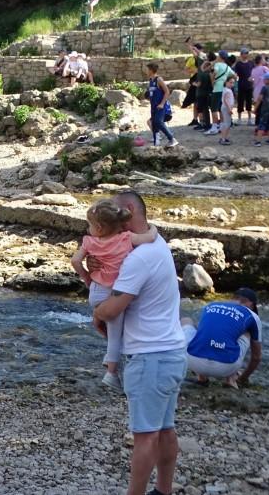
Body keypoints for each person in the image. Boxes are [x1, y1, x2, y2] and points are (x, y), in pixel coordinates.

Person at [94, 191, 186, 495]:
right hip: (172, 353)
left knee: (145, 436)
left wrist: (96, 311)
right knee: (165, 429)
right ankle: (163, 490)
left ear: (130, 210)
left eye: (115, 213)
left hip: (149, 359)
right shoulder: (158, 245)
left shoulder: (139, 257)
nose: (110, 220)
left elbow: (113, 307)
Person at [71, 199, 157, 390]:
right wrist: (153, 228)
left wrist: (86, 277)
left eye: (89, 225)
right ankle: (111, 373)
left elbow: (75, 261)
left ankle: (110, 360)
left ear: (100, 228)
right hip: (113, 294)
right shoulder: (125, 238)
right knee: (116, 334)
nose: (88, 229)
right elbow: (150, 238)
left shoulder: (90, 242)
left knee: (112, 331)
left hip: (95, 292)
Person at [182, 288, 262, 388]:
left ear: (232, 298)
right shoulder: (252, 315)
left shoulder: (211, 305)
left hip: (192, 361)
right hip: (226, 367)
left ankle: (201, 378)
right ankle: (230, 379)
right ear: (252, 304)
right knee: (246, 332)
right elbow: (256, 358)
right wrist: (243, 379)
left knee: (187, 320)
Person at [145, 63, 179, 147]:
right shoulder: (150, 80)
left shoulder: (158, 79)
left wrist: (162, 104)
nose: (146, 71)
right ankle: (156, 144)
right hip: (153, 107)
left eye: (147, 69)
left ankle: (172, 139)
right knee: (154, 124)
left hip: (161, 106)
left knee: (158, 122)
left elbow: (167, 92)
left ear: (151, 70)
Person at [207, 50, 237, 136]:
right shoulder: (227, 67)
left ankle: (214, 127)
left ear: (220, 57)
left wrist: (212, 81)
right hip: (224, 89)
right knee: (221, 108)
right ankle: (221, 126)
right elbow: (234, 75)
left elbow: (215, 72)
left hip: (216, 89)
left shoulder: (217, 65)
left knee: (214, 109)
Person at [192, 54, 215, 131]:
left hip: (200, 94)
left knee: (200, 110)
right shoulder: (210, 74)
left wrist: (194, 83)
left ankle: (202, 124)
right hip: (207, 93)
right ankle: (208, 124)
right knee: (206, 110)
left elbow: (199, 84)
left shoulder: (201, 74)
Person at [233, 47, 254, 125]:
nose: (247, 54)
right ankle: (239, 119)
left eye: (247, 53)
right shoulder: (238, 64)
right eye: (245, 53)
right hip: (241, 85)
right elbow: (236, 74)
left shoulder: (251, 63)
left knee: (249, 102)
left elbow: (254, 72)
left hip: (249, 85)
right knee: (240, 102)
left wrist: (253, 78)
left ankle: (249, 119)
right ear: (241, 54)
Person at [219, 76, 236, 146]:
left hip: (225, 108)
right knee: (227, 124)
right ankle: (223, 138)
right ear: (226, 82)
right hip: (226, 108)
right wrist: (229, 109)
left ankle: (224, 137)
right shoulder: (227, 90)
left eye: (233, 83)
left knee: (226, 123)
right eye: (230, 82)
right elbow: (226, 100)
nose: (232, 84)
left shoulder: (226, 89)